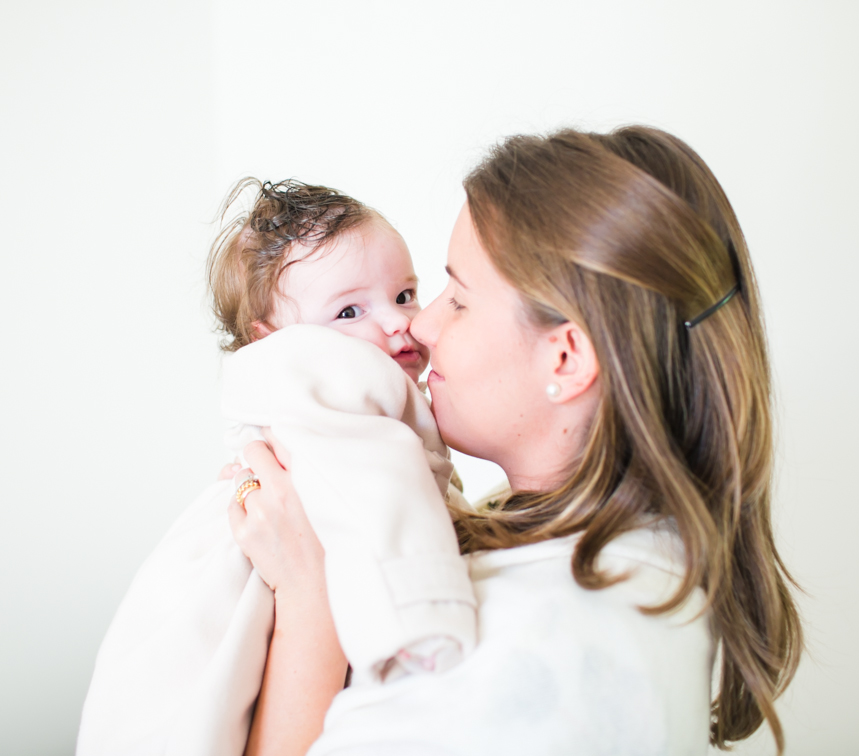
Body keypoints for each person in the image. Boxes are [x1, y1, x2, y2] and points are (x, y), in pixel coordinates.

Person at [231, 127, 803, 755]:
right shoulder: (624, 553)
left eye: (458, 300)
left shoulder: (535, 640)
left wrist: (310, 598)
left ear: (564, 359)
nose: (419, 325)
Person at [76, 180, 477, 756]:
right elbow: (385, 501)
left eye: (406, 294)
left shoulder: (334, 385)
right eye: (348, 310)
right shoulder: (328, 372)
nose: (399, 323)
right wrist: (420, 619)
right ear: (272, 339)